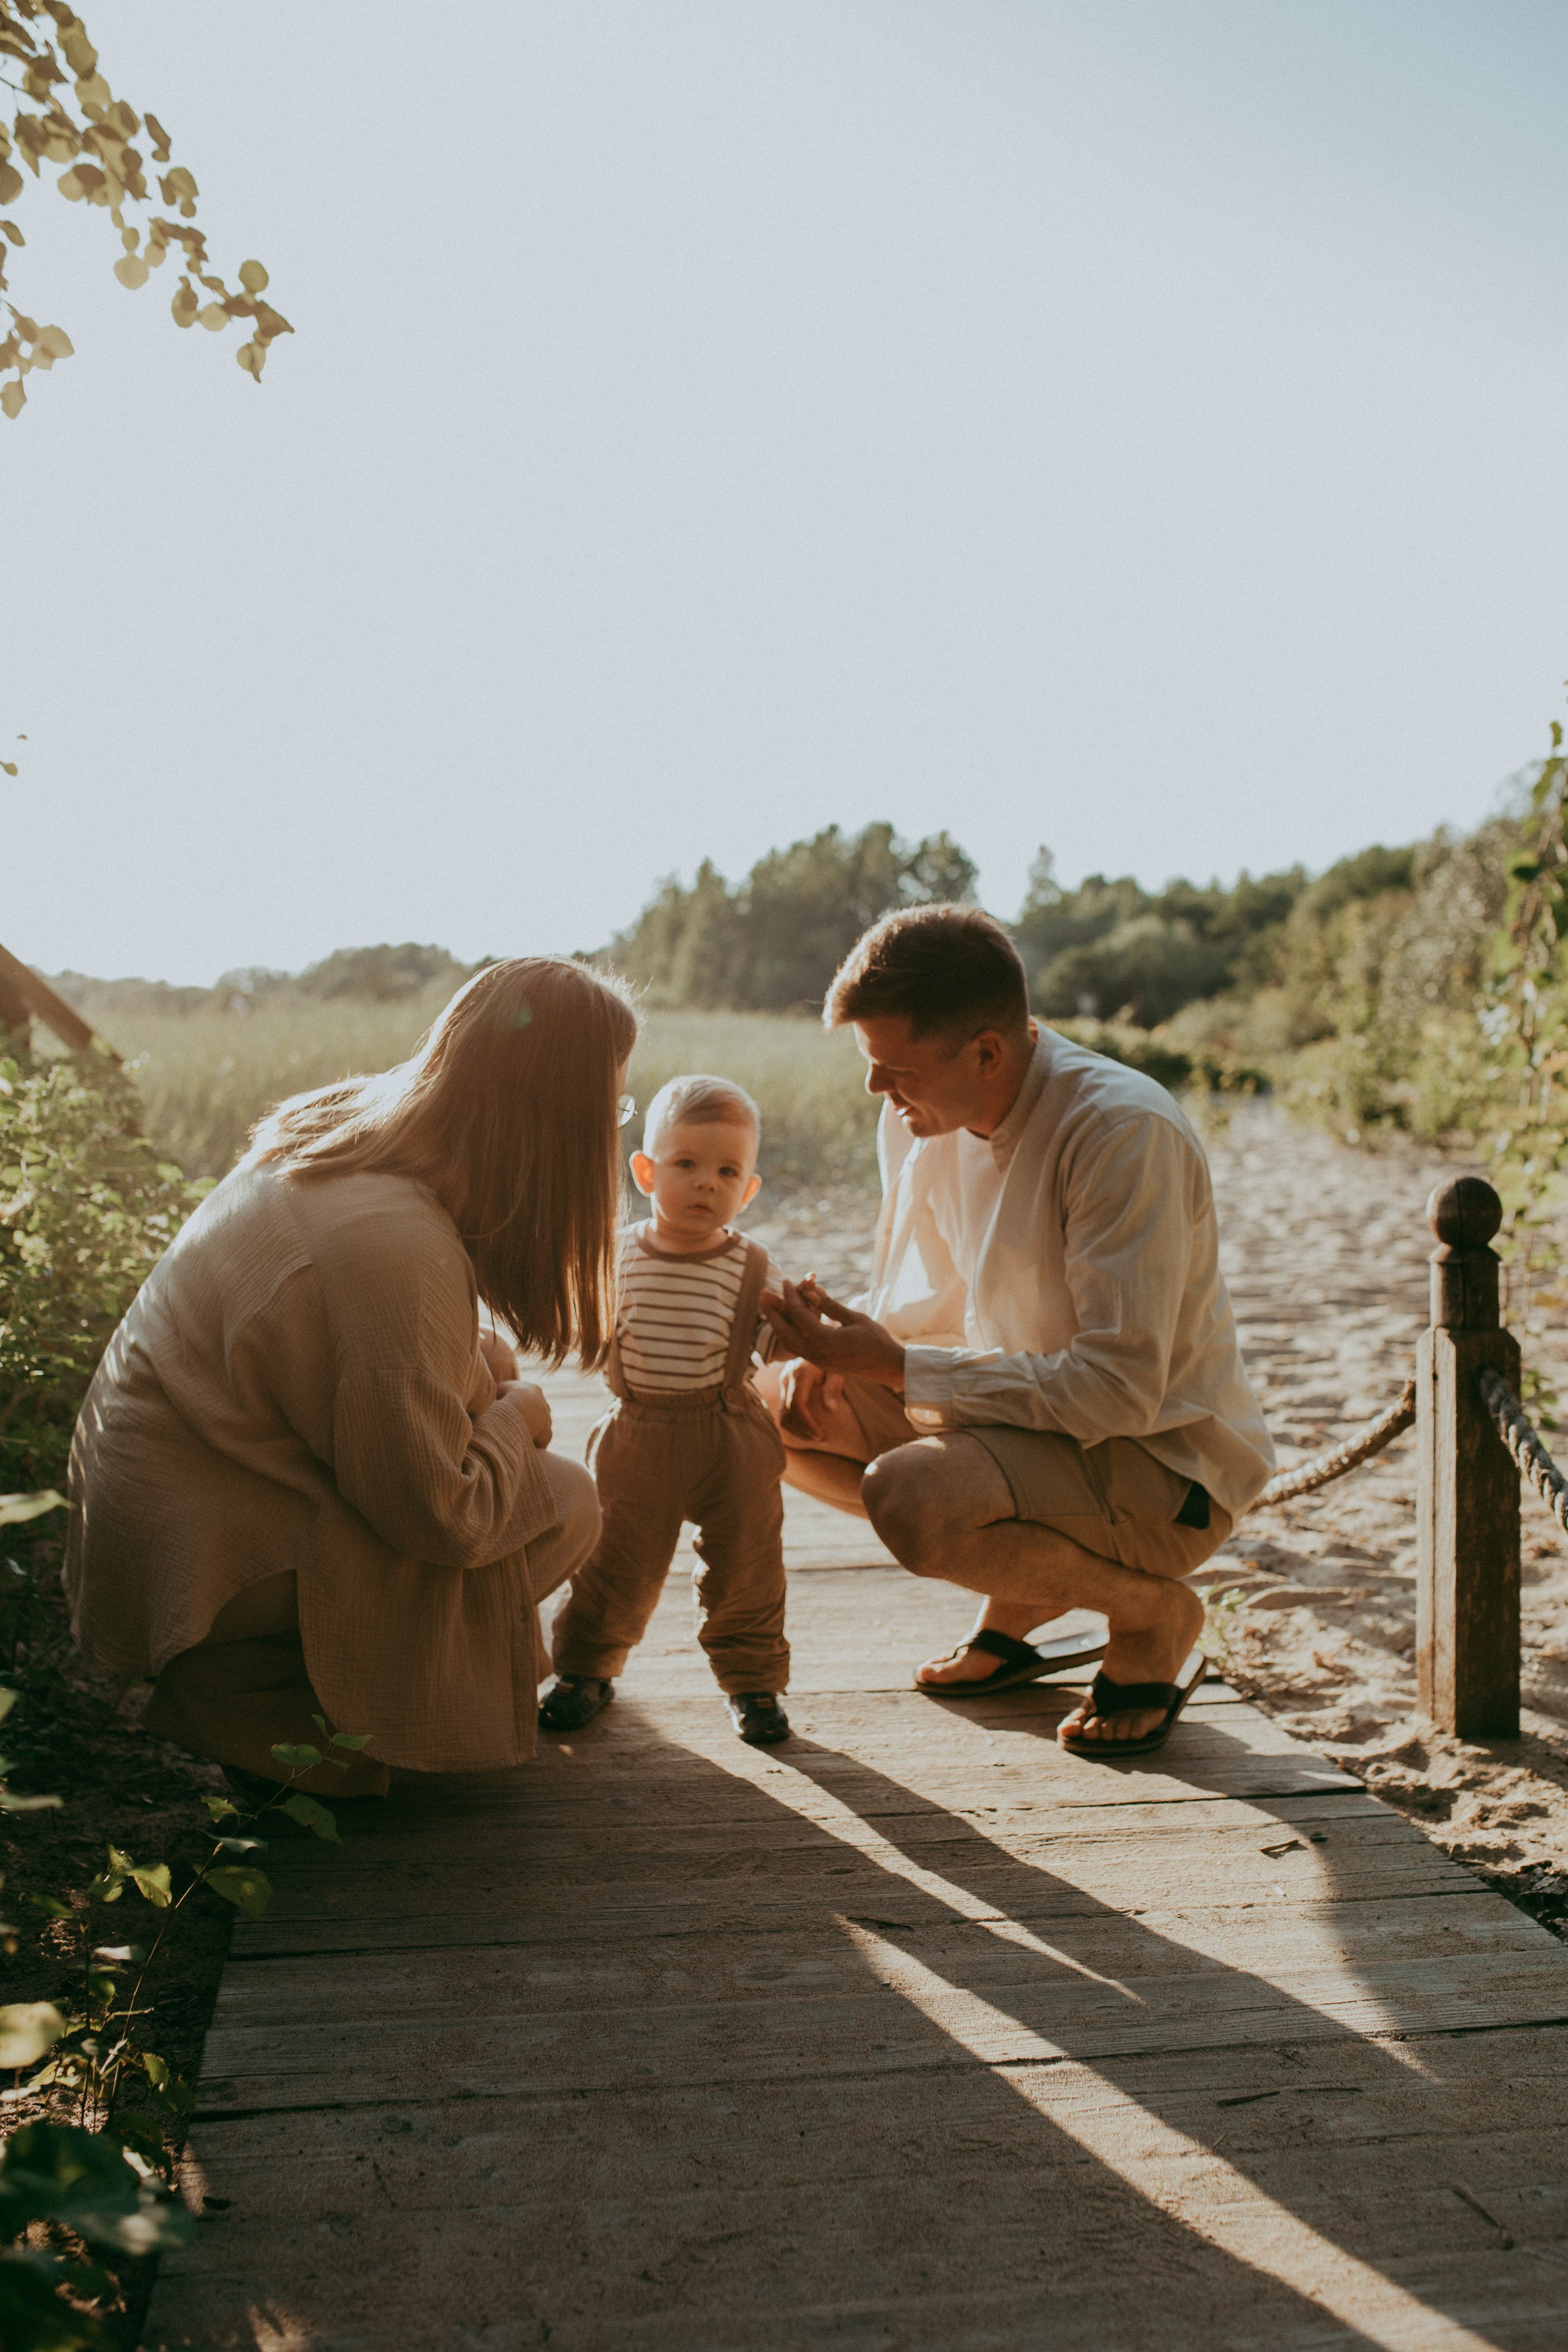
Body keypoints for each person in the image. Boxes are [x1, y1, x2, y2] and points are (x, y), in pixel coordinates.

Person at [64, 957, 639, 1797]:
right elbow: (446, 1517)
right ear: (559, 1117)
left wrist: (488, 1386)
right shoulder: (395, 1249)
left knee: (490, 1371)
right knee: (562, 1502)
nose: (612, 1128)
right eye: (612, 1105)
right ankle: (273, 1714)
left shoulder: (343, 1131)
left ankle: (309, 1683)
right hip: (202, 1561)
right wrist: (516, 1416)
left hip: (160, 1508)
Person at [758, 904, 1274, 1757]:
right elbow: (930, 1297)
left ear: (987, 1052)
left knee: (910, 1499)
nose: (874, 1090)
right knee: (759, 1412)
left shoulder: (1117, 1132)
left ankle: (1153, 1615)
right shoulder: (925, 1113)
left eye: (891, 1068)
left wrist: (897, 1368)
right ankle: (1026, 1594)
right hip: (1024, 1427)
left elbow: (1118, 1389)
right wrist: (842, 1353)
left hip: (1164, 1467)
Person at [542, 1076, 792, 1746]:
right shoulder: (614, 1256)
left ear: (748, 1189)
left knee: (747, 1564)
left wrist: (800, 1331)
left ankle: (753, 1681)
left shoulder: (751, 1266)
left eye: (726, 1170)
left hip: (728, 1432)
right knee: (616, 1560)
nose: (705, 1183)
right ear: (647, 1172)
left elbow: (771, 1343)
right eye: (686, 1164)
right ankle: (585, 1669)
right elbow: (583, 1329)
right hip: (639, 1433)